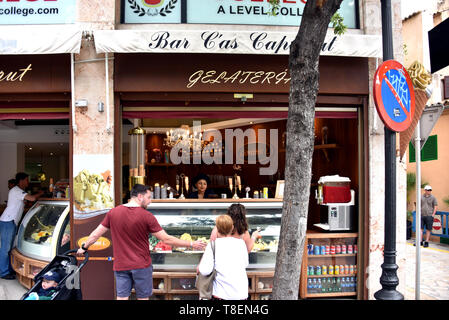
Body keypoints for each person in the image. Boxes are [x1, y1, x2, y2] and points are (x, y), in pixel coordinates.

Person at [76, 184, 206, 300]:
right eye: (148, 197)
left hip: (121, 265)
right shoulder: (147, 216)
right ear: (139, 196)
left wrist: (84, 247)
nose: (150, 201)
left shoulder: (113, 213)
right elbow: (166, 239)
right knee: (143, 298)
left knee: (122, 297)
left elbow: (95, 235)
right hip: (141, 266)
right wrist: (191, 244)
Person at [0, 172, 43, 280]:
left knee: (9, 248)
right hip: (8, 221)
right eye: (27, 180)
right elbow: (32, 198)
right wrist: (40, 193)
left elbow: (24, 203)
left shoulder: (19, 191)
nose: (28, 182)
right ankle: (3, 272)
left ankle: (8, 269)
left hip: (12, 221)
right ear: (22, 180)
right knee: (5, 249)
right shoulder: (16, 190)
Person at [198, 215, 249, 300]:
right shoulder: (241, 243)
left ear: (217, 228)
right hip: (241, 295)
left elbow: (205, 271)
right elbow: (245, 264)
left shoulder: (213, 245)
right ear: (232, 227)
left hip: (222, 295)